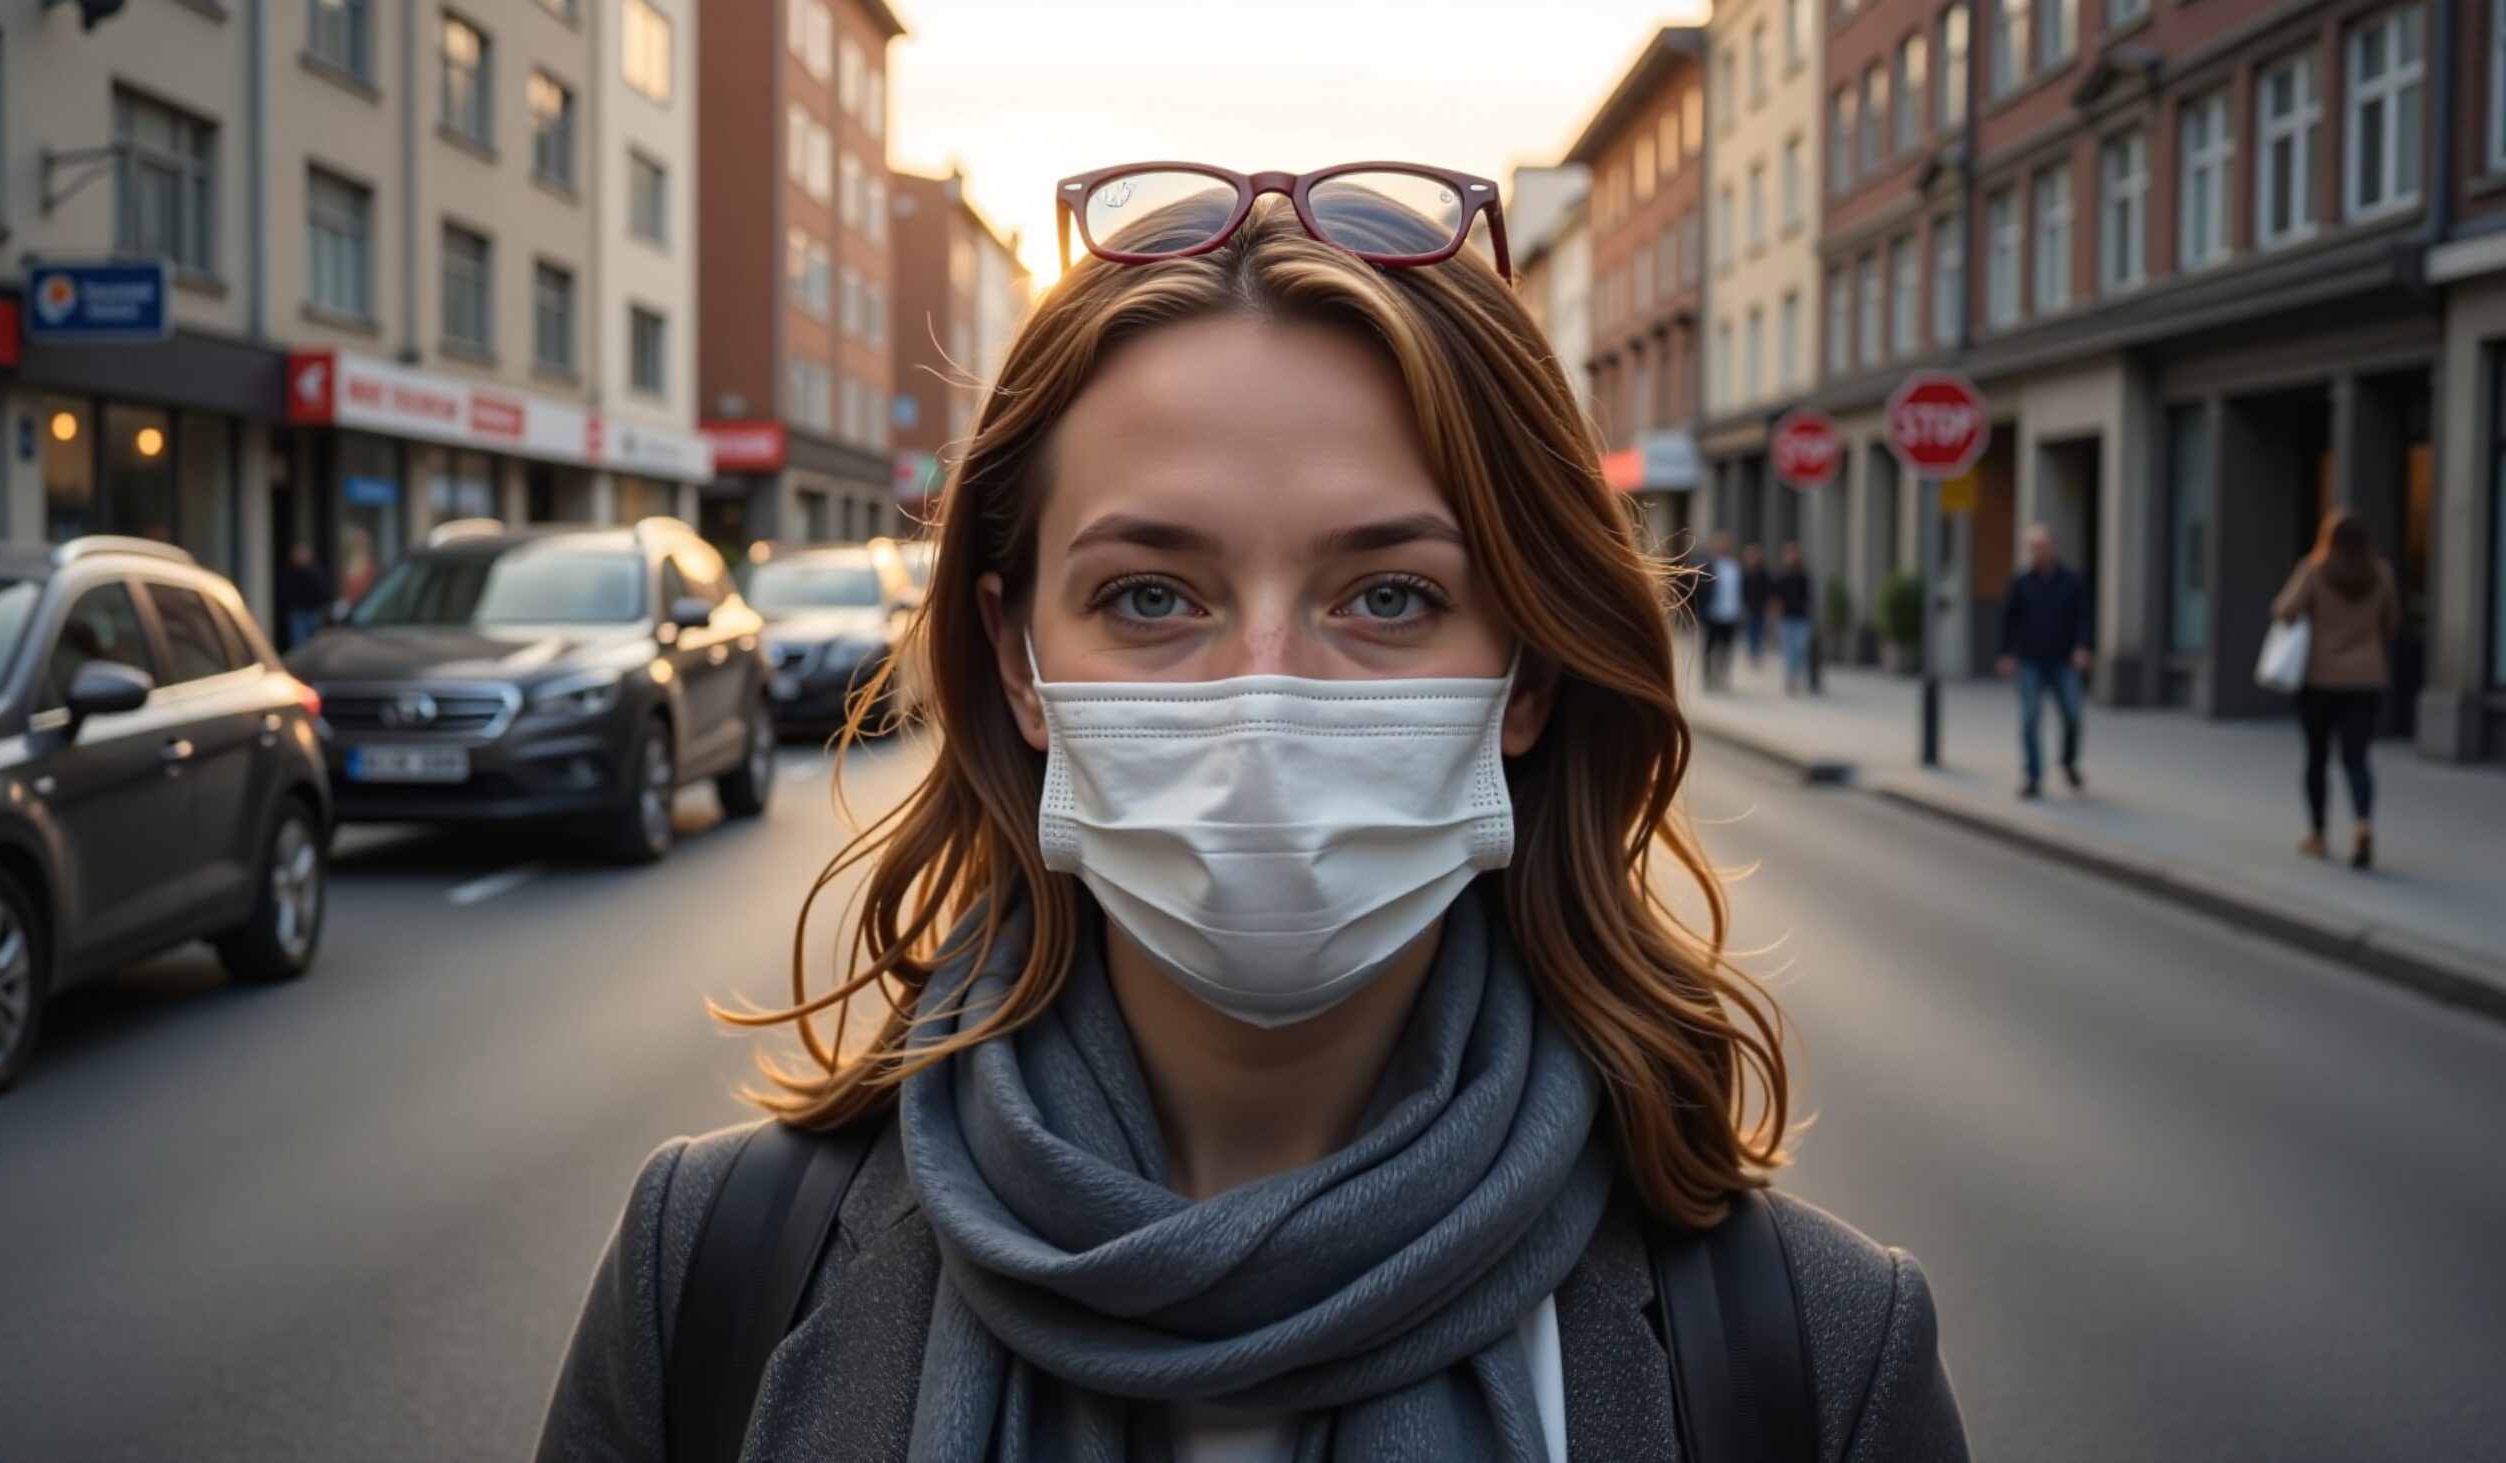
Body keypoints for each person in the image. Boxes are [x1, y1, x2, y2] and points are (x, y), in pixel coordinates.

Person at [539, 166, 1967, 1463]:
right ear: (1021, 657)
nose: (1263, 703)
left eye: (1391, 594)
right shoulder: (714, 1268)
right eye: (1150, 595)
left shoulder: (1809, 1356)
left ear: (1526, 672)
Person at [2271, 508, 2398, 869]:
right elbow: (2392, 623)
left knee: (2316, 758)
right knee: (2357, 758)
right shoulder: (2382, 573)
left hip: (2320, 681)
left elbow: (2283, 611)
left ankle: (2318, 834)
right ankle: (2362, 826)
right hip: (2367, 679)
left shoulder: (2314, 570)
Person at [1997, 522, 2092, 799]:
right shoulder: (2020, 582)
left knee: (2073, 715)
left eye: (2043, 545)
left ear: (2053, 546)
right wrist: (2005, 653)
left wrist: (2083, 647)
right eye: (2033, 547)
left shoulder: (2071, 580)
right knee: (2029, 718)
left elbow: (2084, 617)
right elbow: (2008, 620)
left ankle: (2068, 761)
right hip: (2030, 661)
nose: (2039, 551)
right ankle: (2033, 776)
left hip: (2064, 660)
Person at [1696, 529, 1743, 691]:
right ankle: (1708, 677)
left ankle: (1722, 677)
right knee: (1709, 647)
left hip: (1730, 614)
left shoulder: (1735, 566)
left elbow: (1739, 589)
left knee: (1726, 649)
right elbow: (1700, 590)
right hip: (1712, 613)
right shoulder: (1709, 566)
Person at [1775, 540, 1814, 695]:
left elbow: (1808, 598)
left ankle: (1796, 674)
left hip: (1801, 617)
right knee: (1789, 650)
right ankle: (1791, 677)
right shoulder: (1782, 576)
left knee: (1800, 648)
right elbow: (1777, 597)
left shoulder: (1804, 576)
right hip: (1787, 618)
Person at [278, 543, 332, 650]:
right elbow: (286, 591)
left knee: (314, 641)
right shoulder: (290, 572)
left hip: (313, 611)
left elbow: (321, 590)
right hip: (297, 611)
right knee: (299, 642)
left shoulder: (314, 571)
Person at [1739, 540, 1773, 666]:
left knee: (1759, 631)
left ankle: (1757, 653)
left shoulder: (1763, 573)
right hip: (1750, 607)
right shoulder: (1745, 574)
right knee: (1750, 632)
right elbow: (1742, 592)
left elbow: (1768, 591)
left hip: (1760, 607)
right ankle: (1752, 653)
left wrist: (1769, 608)